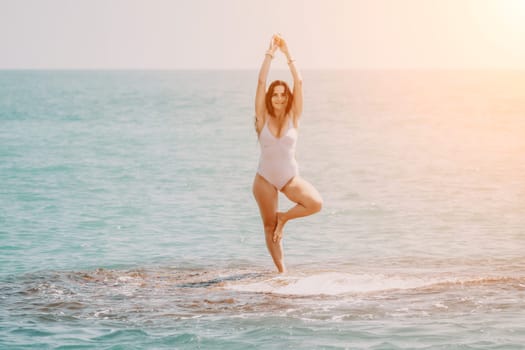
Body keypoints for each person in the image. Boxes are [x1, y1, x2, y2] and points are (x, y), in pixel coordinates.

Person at [252, 34, 323, 273]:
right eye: (275, 94)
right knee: (268, 227)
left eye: (283, 94)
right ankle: (282, 272)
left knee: (315, 203)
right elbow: (261, 83)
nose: (280, 97)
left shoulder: (294, 116)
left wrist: (288, 53)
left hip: (289, 178)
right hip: (264, 179)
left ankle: (285, 218)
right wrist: (270, 54)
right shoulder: (262, 119)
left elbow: (299, 83)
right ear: (270, 98)